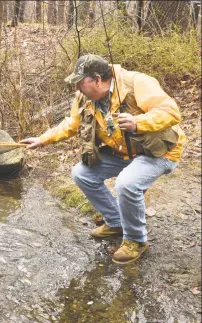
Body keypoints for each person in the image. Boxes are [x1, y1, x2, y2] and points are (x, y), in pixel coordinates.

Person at [20, 54, 186, 265]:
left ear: (97, 79)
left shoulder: (137, 82)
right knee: (82, 174)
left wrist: (138, 122)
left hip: (159, 152)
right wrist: (43, 140)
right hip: (124, 151)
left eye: (81, 82)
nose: (77, 88)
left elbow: (171, 112)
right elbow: (72, 123)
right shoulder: (85, 97)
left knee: (126, 183)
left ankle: (136, 240)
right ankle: (116, 221)